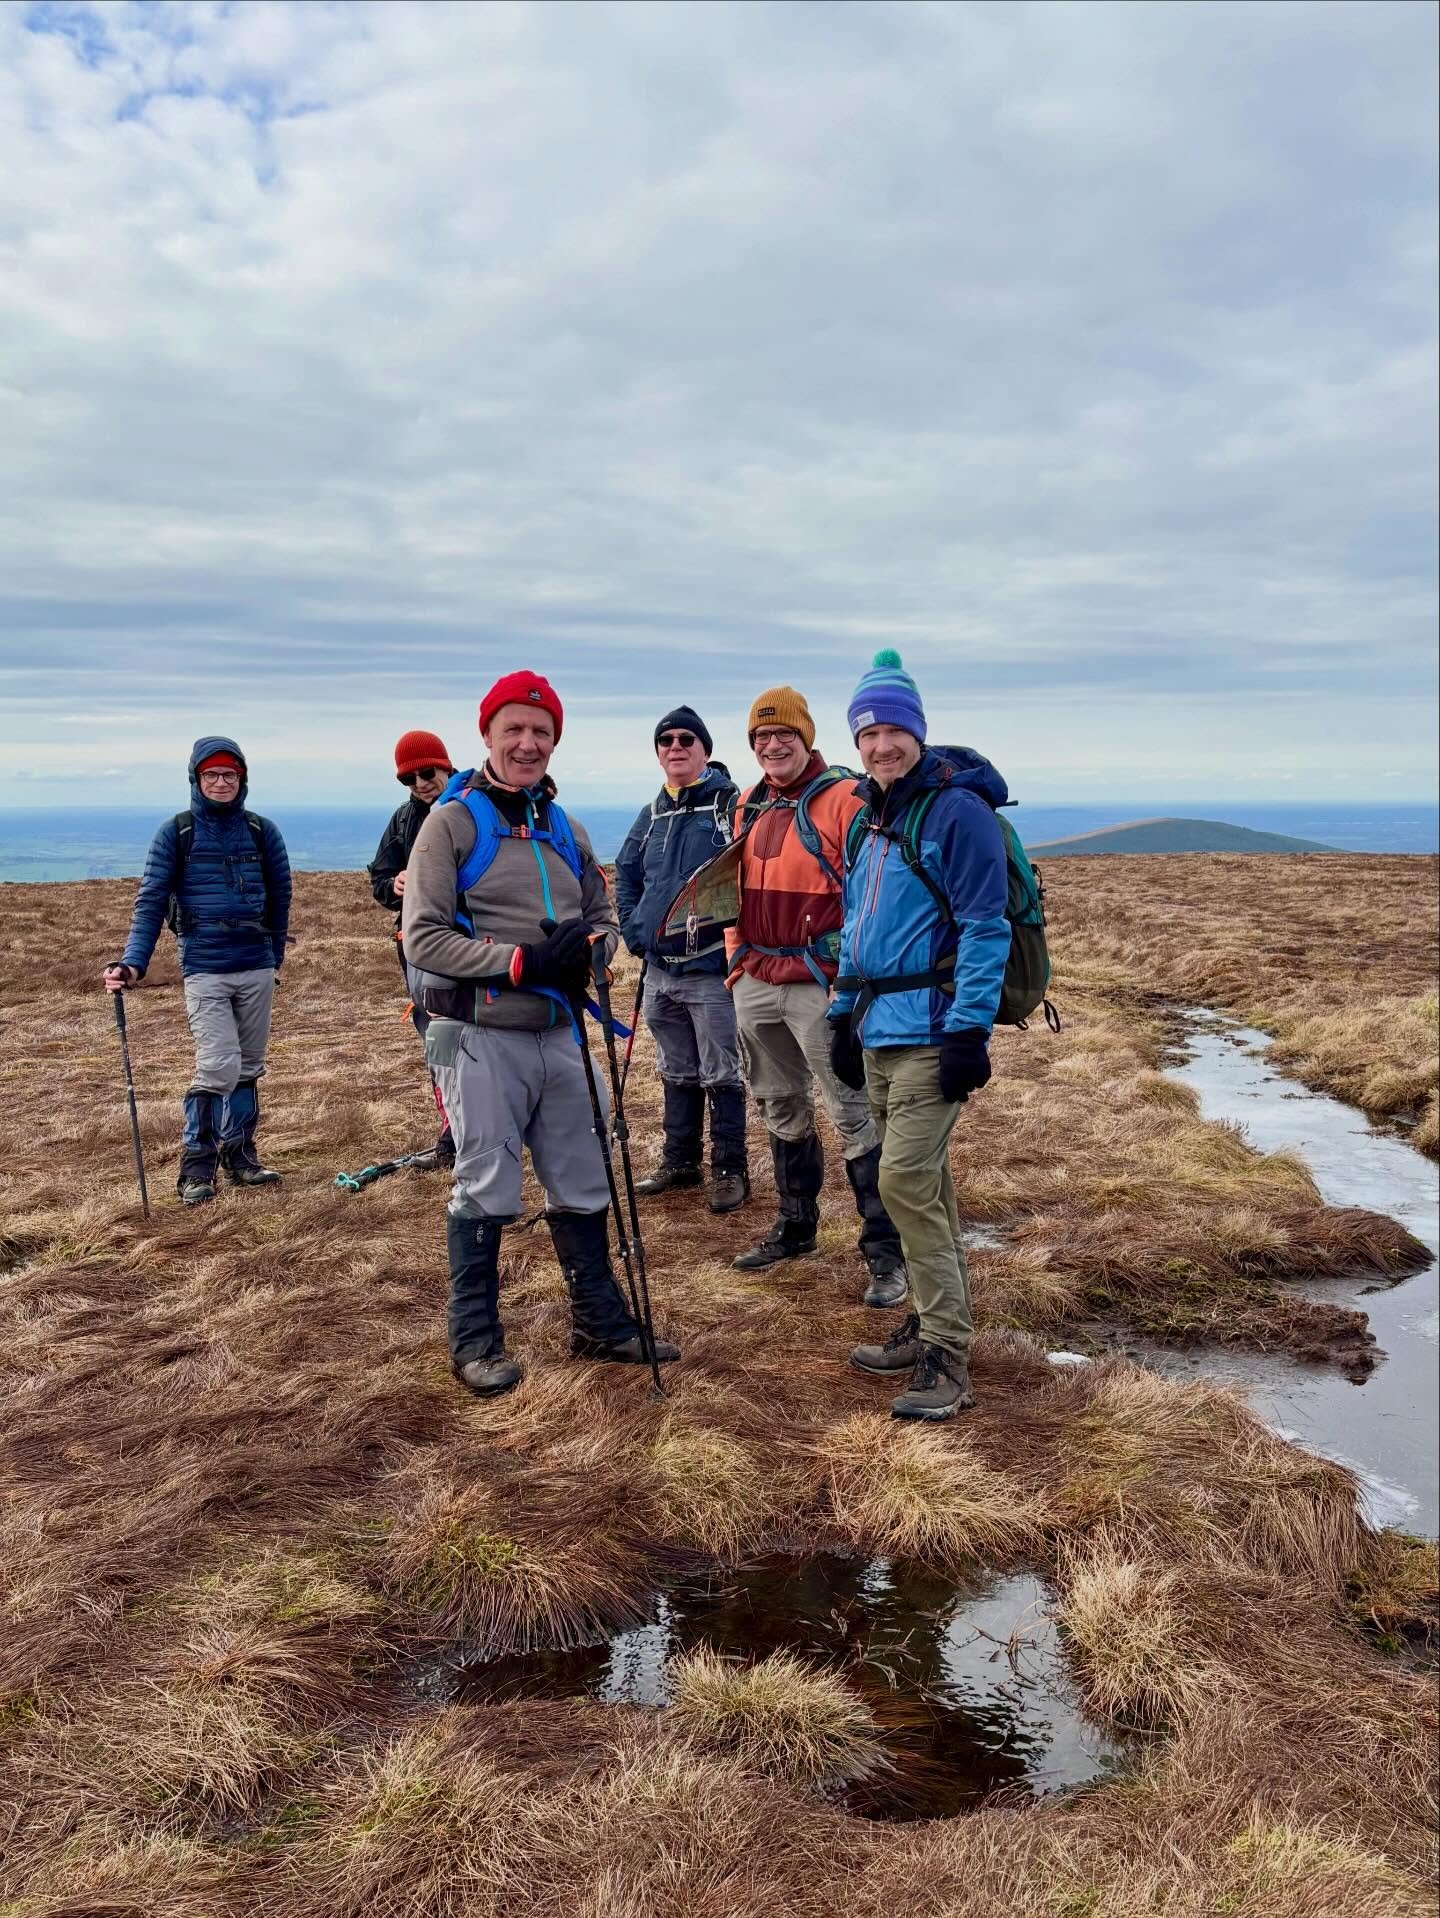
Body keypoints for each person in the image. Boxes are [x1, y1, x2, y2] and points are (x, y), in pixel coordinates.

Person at [402, 670, 681, 1399]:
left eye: (541, 732)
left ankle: (598, 1322)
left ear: (555, 739)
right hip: (478, 1031)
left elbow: (605, 917)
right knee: (486, 1183)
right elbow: (422, 938)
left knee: (583, 1177)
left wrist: (590, 951)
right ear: (488, 735)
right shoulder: (452, 824)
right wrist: (520, 961)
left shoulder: (567, 829)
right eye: (514, 729)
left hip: (558, 1031)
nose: (528, 743)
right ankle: (475, 1337)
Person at [829, 652, 1010, 1420]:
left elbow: (982, 926)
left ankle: (948, 1360)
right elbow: (854, 926)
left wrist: (970, 1031)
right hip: (877, 1030)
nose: (881, 746)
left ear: (918, 732)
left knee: (902, 1182)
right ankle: (933, 1322)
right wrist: (841, 1010)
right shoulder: (873, 814)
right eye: (868, 734)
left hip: (934, 1032)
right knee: (923, 1186)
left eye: (894, 730)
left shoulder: (955, 812)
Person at [724, 686, 906, 1306]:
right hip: (755, 975)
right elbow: (731, 887)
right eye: (761, 737)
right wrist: (735, 960)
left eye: (785, 736)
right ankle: (796, 1228)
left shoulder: (846, 799)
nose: (772, 745)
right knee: (779, 1102)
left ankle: (886, 1255)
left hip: (819, 983)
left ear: (807, 738)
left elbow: (871, 892)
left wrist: (844, 976)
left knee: (852, 1109)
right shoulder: (746, 802)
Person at [102, 737, 292, 1206]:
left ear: (242, 779)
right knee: (218, 1065)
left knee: (248, 1066)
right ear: (197, 780)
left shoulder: (262, 831)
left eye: (230, 774)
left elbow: (281, 898)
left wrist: (273, 958)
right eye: (212, 775)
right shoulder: (177, 833)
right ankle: (196, 1167)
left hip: (255, 965)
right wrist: (133, 962)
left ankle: (241, 1158)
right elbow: (149, 902)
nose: (222, 782)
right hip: (205, 967)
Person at [614, 706, 749, 1214]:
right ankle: (680, 1162)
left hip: (711, 966)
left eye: (686, 739)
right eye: (665, 740)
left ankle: (730, 1169)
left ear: (705, 749)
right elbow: (626, 874)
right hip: (659, 969)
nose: (675, 746)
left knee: (722, 1070)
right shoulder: (652, 813)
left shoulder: (730, 805)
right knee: (676, 1067)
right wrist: (635, 929)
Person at [368, 730, 457, 1170]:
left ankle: (482, 1130)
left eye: (427, 772)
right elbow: (380, 880)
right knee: (436, 1040)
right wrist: (394, 885)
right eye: (409, 778)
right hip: (416, 951)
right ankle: (452, 1135)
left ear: (446, 766)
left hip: (468, 949)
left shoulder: (470, 808)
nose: (420, 783)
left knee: (471, 1039)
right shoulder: (403, 820)